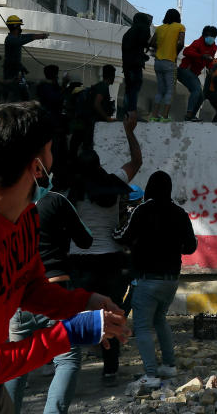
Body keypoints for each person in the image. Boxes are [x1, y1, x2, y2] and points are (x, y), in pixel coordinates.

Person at [0, 102, 128, 409]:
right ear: (37, 167)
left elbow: (29, 286)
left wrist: (81, 301)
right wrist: (70, 332)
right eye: (51, 150)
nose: (55, 161)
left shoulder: (24, 215)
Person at [3, 184, 94, 414]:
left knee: (17, 363)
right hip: (56, 292)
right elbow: (86, 239)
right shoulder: (56, 201)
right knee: (67, 360)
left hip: (18, 299)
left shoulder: (5, 203)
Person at [68, 115, 142, 383]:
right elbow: (136, 162)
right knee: (111, 313)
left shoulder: (71, 191)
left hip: (79, 260)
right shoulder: (113, 182)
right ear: (99, 165)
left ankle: (69, 368)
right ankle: (110, 368)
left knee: (77, 313)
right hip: (110, 259)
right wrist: (128, 131)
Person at [115, 170, 197, 387]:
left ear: (149, 188)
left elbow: (122, 236)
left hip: (147, 279)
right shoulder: (180, 213)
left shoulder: (142, 210)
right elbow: (191, 247)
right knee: (160, 319)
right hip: (171, 280)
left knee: (142, 326)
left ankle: (150, 375)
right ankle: (169, 366)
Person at [148, 8, 185, 122]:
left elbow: (152, 43)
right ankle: (164, 116)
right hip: (170, 62)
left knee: (160, 90)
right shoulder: (180, 27)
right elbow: (181, 43)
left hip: (158, 62)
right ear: (177, 18)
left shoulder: (160, 28)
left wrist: (160, 48)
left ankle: (154, 116)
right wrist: (175, 53)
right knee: (170, 90)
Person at [178, 25, 217, 121]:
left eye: (213, 37)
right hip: (185, 70)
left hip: (194, 74)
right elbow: (186, 52)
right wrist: (201, 56)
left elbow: (209, 61)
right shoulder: (198, 43)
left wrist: (211, 69)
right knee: (196, 90)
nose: (211, 39)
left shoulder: (214, 47)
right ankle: (189, 114)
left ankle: (192, 116)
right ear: (204, 36)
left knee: (201, 96)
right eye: (209, 36)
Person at [3, 14, 48, 101]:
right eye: (19, 26)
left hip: (16, 71)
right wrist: (37, 37)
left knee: (23, 94)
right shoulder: (10, 39)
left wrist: (40, 36)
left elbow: (27, 36)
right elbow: (22, 40)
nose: (20, 28)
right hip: (11, 73)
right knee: (13, 96)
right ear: (15, 26)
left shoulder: (16, 37)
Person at [121, 13, 152, 121]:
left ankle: (127, 113)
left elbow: (132, 48)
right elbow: (143, 42)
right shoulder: (144, 28)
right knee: (135, 88)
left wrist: (143, 56)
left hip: (126, 65)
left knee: (129, 89)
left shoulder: (128, 33)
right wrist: (150, 45)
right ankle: (132, 112)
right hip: (135, 65)